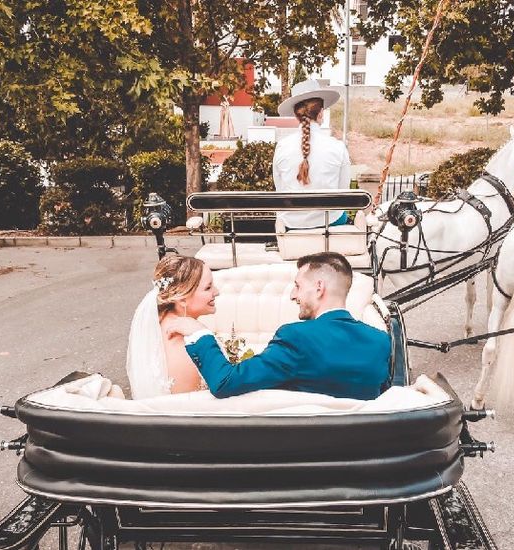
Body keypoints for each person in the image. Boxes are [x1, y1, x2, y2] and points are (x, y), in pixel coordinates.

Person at [165, 252, 391, 400]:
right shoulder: (380, 341)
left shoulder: (296, 337)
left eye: (297, 286)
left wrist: (199, 333)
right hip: (362, 453)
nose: (293, 296)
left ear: (319, 288)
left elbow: (226, 383)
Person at [125, 255, 220, 398]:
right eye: (208, 287)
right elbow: (193, 409)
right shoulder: (186, 349)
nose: (217, 292)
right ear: (182, 299)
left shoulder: (159, 323)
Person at [273, 79, 352, 229]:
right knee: (341, 214)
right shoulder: (337, 147)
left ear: (296, 115)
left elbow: (280, 188)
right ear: (321, 113)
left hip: (291, 223)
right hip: (329, 222)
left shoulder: (282, 147)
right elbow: (343, 192)